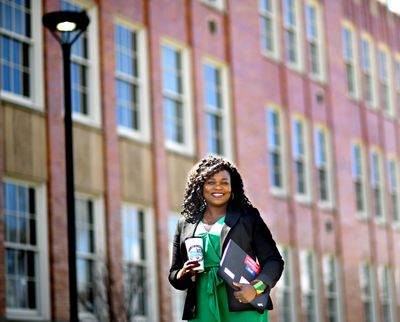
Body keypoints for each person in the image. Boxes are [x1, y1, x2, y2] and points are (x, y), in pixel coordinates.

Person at [169, 155, 284, 322]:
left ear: (232, 186)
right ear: (200, 186)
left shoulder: (248, 218)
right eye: (210, 182)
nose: (218, 187)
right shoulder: (185, 224)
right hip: (201, 307)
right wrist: (183, 273)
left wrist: (255, 288)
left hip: (243, 305)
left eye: (224, 182)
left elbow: (274, 262)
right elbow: (174, 275)